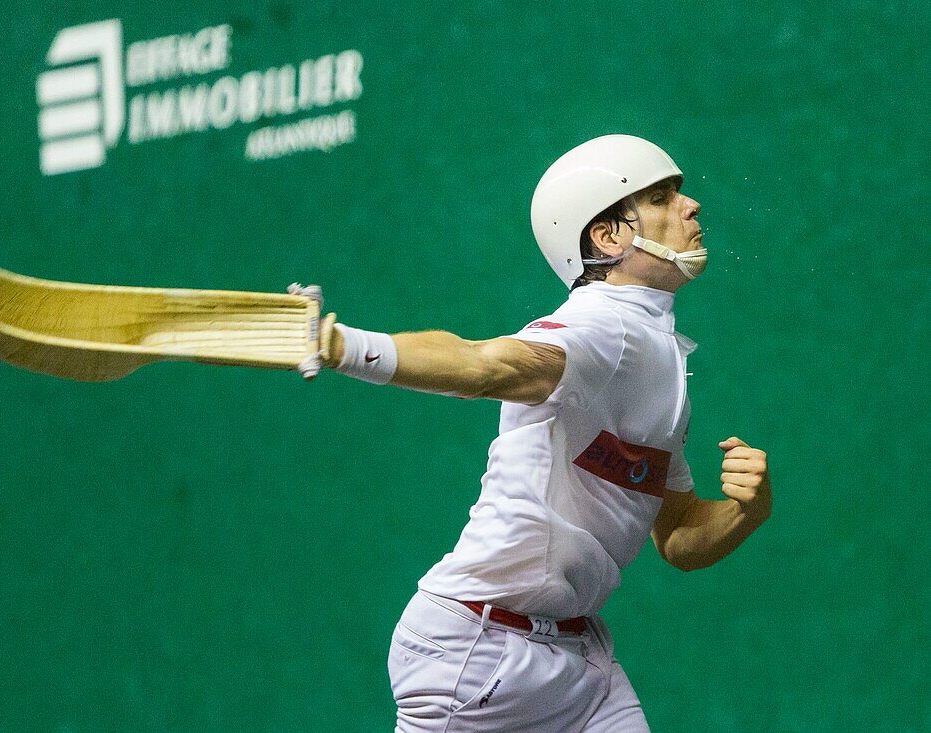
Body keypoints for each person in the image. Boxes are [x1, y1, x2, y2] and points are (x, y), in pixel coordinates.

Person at [323, 134, 772, 732]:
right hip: (477, 654)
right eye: (663, 197)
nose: (690, 207)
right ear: (609, 236)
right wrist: (346, 347)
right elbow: (488, 365)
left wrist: (747, 511)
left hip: (578, 661)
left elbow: (680, 535)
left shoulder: (659, 356)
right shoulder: (602, 326)